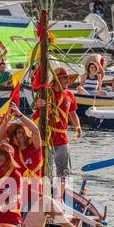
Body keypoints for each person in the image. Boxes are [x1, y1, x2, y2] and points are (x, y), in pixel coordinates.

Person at [35, 67, 82, 201]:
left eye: (68, 78)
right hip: (47, 136)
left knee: (63, 172)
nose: (67, 80)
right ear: (57, 79)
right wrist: (39, 105)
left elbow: (73, 113)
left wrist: (78, 126)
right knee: (46, 170)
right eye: (64, 78)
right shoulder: (46, 93)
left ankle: (59, 199)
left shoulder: (70, 95)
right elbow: (37, 113)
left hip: (62, 138)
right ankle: (45, 197)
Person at [0, 102, 43, 208]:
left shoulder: (35, 147)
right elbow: (0, 137)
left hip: (35, 195)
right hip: (18, 195)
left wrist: (20, 115)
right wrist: (6, 121)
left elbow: (35, 131)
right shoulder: (13, 150)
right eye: (16, 133)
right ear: (12, 139)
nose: (21, 134)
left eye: (22, 131)